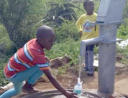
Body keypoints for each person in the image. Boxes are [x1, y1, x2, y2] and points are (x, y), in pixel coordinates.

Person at [0, 25, 77, 98]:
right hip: (14, 75)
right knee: (44, 64)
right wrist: (65, 93)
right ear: (40, 39)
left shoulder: (34, 41)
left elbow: (31, 56)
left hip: (10, 70)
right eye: (50, 41)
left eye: (53, 41)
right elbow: (50, 77)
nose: (52, 44)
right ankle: (28, 86)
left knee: (17, 91)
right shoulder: (35, 52)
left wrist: (43, 58)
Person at [76, 0, 99, 76]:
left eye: (92, 5)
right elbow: (77, 23)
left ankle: (90, 70)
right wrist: (80, 30)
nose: (92, 7)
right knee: (85, 53)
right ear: (85, 7)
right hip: (84, 39)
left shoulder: (96, 16)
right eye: (89, 5)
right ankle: (86, 67)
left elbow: (98, 28)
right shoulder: (83, 17)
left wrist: (97, 39)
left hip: (92, 39)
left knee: (90, 53)